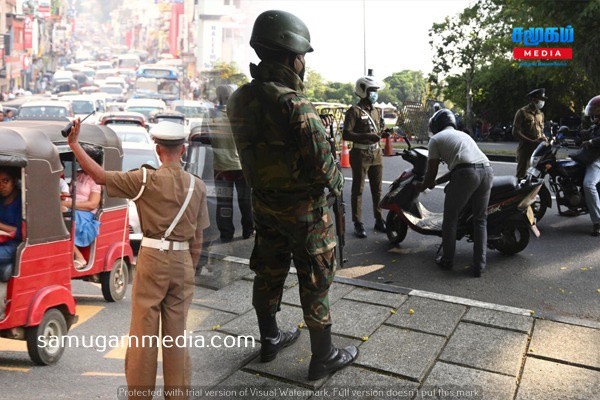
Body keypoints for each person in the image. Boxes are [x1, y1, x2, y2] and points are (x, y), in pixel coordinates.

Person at [227, 10, 358, 381]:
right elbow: (323, 165)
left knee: (268, 270)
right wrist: (337, 188)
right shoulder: (295, 104)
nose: (303, 63)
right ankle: (323, 356)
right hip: (305, 211)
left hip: (264, 204)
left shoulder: (239, 99)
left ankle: (270, 338)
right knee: (315, 277)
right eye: (303, 56)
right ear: (291, 56)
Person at [65, 119, 209, 399]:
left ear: (157, 149)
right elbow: (199, 238)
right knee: (176, 335)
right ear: (183, 150)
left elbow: (100, 176)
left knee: (144, 333)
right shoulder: (197, 186)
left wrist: (73, 144)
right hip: (182, 263)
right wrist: (188, 267)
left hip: (153, 257)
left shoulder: (145, 179)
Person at [418, 109, 493, 277]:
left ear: (436, 125)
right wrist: (436, 182)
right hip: (487, 171)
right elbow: (462, 165)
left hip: (467, 174)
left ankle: (447, 260)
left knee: (450, 220)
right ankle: (479, 266)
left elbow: (431, 174)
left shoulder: (435, 140)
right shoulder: (463, 136)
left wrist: (422, 186)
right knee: (480, 220)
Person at [343, 71, 389, 238]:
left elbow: (378, 130)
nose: (375, 94)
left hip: (376, 153)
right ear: (362, 91)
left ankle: (379, 219)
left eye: (376, 90)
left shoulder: (376, 111)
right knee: (358, 189)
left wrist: (384, 134)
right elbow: (346, 134)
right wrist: (365, 136)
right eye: (372, 90)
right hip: (360, 153)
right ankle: (358, 222)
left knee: (377, 189)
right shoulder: (354, 111)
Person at [209, 84, 254, 242]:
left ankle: (226, 234)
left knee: (223, 202)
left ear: (219, 97)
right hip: (241, 166)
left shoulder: (211, 115)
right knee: (246, 200)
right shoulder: (241, 114)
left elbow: (205, 135)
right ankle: (248, 230)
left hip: (221, 167)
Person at [61, 144, 102, 269]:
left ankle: (79, 257)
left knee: (61, 221)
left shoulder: (96, 179)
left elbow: (92, 204)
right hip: (71, 207)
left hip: (85, 214)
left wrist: (69, 204)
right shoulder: (77, 175)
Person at [0, 167, 22, 319]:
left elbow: (20, 231)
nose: (1, 185)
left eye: (5, 181)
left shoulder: (22, 201)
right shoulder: (0, 200)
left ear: (14, 181)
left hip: (15, 245)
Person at [513, 88, 548, 178]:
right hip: (525, 149)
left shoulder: (541, 114)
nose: (542, 102)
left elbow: (541, 130)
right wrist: (531, 141)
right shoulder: (522, 112)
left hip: (538, 150)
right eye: (540, 99)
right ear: (533, 99)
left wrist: (544, 137)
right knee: (522, 175)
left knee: (536, 176)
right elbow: (515, 132)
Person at [580, 95, 600, 236]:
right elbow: (587, 133)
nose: (592, 112)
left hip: (598, 159)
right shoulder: (596, 126)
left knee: (588, 184)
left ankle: (597, 222)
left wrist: (591, 142)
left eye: (595, 109)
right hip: (592, 157)